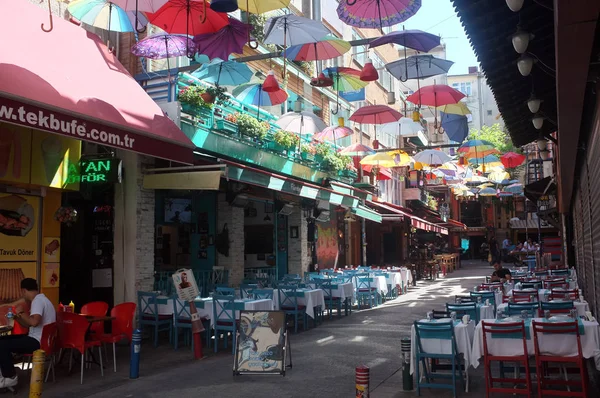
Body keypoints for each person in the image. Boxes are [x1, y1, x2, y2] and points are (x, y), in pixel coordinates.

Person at [0, 278, 56, 388]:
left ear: (24, 290)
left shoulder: (38, 301)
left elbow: (34, 322)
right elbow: (28, 324)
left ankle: (11, 377)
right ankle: (4, 373)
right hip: (37, 338)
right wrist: (18, 317)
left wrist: (21, 311)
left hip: (37, 342)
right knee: (2, 340)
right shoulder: (42, 299)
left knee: (2, 345)